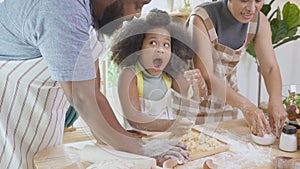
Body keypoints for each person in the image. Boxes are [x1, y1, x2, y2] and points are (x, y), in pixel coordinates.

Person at [0, 0, 190, 168]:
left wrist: (123, 140)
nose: (137, 14)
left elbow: (94, 93)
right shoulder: (62, 7)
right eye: (137, 4)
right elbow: (82, 98)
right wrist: (142, 150)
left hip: (41, 115)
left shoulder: (91, 16)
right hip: (10, 111)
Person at [186, 0, 287, 137]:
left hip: (227, 101)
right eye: (244, 0)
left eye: (258, 1)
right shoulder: (201, 18)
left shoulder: (259, 21)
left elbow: (269, 68)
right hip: (192, 102)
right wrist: (247, 106)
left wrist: (276, 99)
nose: (251, 8)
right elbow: (207, 76)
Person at [110, 8, 207, 136]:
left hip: (165, 139)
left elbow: (194, 97)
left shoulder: (170, 74)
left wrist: (199, 84)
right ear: (138, 48)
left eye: (166, 44)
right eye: (153, 42)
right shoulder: (129, 75)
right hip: (138, 141)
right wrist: (171, 124)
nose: (160, 49)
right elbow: (134, 118)